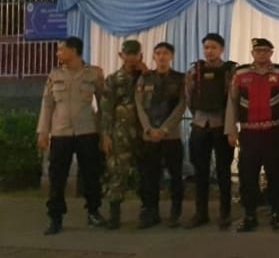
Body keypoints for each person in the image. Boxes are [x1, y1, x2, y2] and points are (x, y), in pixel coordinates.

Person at [37, 36, 107, 235]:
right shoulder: (55, 75)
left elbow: (103, 104)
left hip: (87, 131)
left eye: (61, 50)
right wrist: (43, 131)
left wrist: (104, 133)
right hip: (61, 133)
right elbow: (47, 104)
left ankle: (93, 211)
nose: (58, 53)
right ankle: (55, 217)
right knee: (57, 176)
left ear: (74, 51)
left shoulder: (93, 74)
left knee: (91, 174)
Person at [225, 38, 279, 232]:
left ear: (271, 53)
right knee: (248, 176)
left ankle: (277, 214)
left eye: (265, 51)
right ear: (252, 53)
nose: (262, 54)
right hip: (249, 133)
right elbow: (232, 103)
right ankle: (250, 215)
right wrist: (231, 130)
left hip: (274, 132)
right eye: (258, 51)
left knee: (276, 176)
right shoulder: (241, 74)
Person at [184, 33, 237, 229]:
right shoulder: (194, 71)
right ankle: (201, 213)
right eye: (206, 47)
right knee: (200, 172)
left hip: (222, 125)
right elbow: (188, 96)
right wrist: (198, 115)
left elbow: (234, 99)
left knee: (223, 172)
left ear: (222, 49)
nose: (209, 51)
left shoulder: (230, 71)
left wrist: (231, 126)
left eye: (213, 47)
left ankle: (225, 213)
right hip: (200, 125)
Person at [135, 42, 187, 228]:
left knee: (175, 176)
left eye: (165, 53)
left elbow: (182, 106)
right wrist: (148, 129)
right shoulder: (145, 78)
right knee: (150, 177)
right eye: (158, 53)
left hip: (171, 136)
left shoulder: (180, 79)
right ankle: (151, 212)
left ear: (172, 56)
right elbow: (139, 105)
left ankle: (175, 213)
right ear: (153, 57)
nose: (162, 56)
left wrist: (164, 129)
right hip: (149, 136)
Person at [99, 40, 145, 230]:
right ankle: (114, 214)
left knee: (145, 173)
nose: (132, 58)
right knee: (117, 171)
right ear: (121, 55)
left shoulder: (148, 77)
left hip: (143, 133)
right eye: (128, 54)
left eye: (135, 54)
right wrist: (105, 135)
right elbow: (106, 109)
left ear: (141, 55)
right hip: (120, 133)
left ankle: (148, 211)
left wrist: (145, 74)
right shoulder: (113, 79)